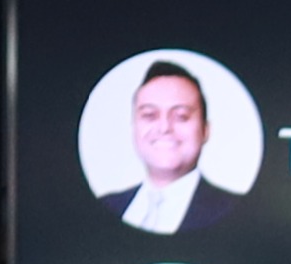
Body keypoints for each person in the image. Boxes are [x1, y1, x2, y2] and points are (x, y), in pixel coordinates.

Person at [100, 60, 246, 234]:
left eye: (181, 116)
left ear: (205, 130)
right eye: (149, 115)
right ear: (134, 126)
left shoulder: (237, 211)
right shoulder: (107, 205)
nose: (164, 128)